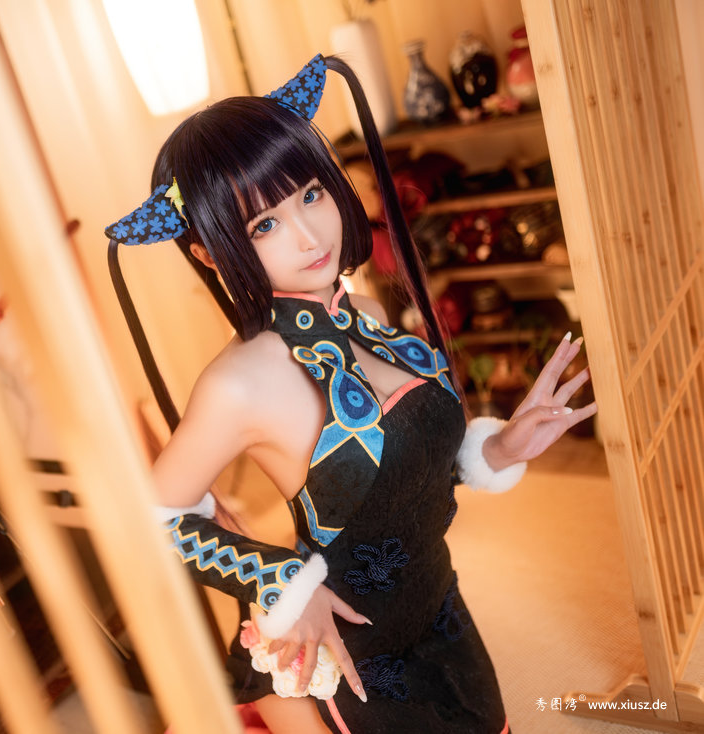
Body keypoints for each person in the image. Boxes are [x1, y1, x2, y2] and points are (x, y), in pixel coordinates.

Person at [104, 55, 596, 734]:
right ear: (210, 254)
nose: (310, 236)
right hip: (336, 655)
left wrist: (501, 447)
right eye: (264, 225)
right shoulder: (237, 384)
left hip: (440, 609)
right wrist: (279, 581)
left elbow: (401, 478)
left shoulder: (366, 310)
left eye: (310, 194)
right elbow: (151, 523)